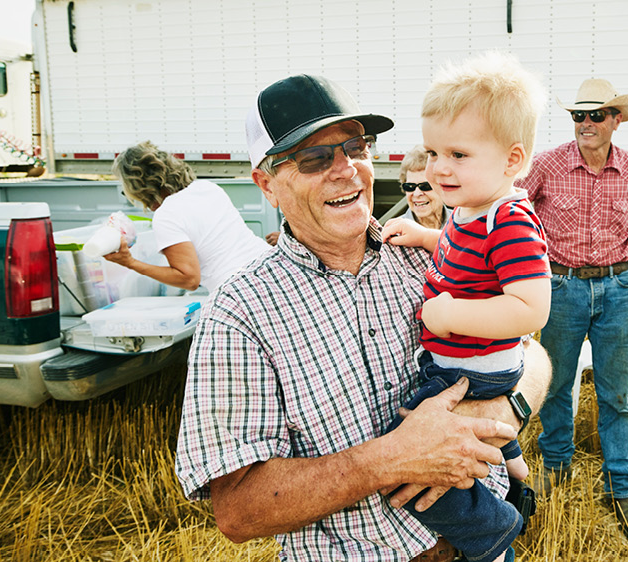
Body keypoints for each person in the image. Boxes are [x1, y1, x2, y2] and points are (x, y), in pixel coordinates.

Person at [174, 73, 551, 562]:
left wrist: (502, 412)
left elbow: (532, 352)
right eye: (314, 157)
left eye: (356, 146)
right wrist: (391, 457)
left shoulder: (427, 256)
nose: (346, 169)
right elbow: (239, 511)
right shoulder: (238, 313)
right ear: (267, 185)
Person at [380, 52, 550, 562]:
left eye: (457, 153)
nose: (438, 168)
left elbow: (530, 308)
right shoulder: (471, 208)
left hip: (476, 368)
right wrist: (424, 236)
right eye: (432, 152)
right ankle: (513, 460)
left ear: (512, 161)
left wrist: (449, 316)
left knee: (404, 443)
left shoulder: (511, 222)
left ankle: (489, 527)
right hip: (465, 362)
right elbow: (466, 260)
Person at [515, 77, 628, 543]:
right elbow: (512, 205)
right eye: (577, 115)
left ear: (616, 120)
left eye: (595, 115)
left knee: (614, 393)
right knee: (557, 385)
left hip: (617, 290)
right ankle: (556, 467)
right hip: (560, 287)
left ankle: (622, 489)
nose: (584, 123)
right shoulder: (547, 164)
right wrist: (530, 258)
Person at [104, 141, 271, 292]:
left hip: (242, 288)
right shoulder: (207, 187)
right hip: (270, 266)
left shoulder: (167, 214)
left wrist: (130, 262)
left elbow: (189, 279)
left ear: (137, 187)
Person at [390, 144, 450, 229]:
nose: (417, 193)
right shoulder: (393, 232)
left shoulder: (463, 227)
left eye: (425, 186)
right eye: (410, 186)